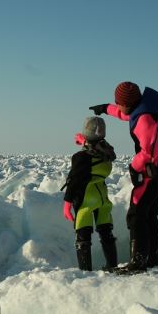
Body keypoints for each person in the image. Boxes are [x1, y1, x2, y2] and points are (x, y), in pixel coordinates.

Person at [90, 81, 158, 274]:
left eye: (119, 103)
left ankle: (138, 263)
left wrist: (133, 167)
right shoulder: (141, 110)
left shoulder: (145, 120)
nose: (118, 106)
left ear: (128, 102)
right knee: (149, 214)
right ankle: (151, 258)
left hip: (151, 174)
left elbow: (148, 153)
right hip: (156, 173)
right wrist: (105, 109)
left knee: (137, 215)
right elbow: (124, 113)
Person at [62, 116, 118, 272]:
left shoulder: (80, 157)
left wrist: (67, 204)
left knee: (83, 235)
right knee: (106, 232)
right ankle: (112, 265)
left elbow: (74, 181)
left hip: (86, 199)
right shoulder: (107, 154)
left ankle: (85, 271)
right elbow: (98, 148)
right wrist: (86, 142)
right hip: (102, 198)